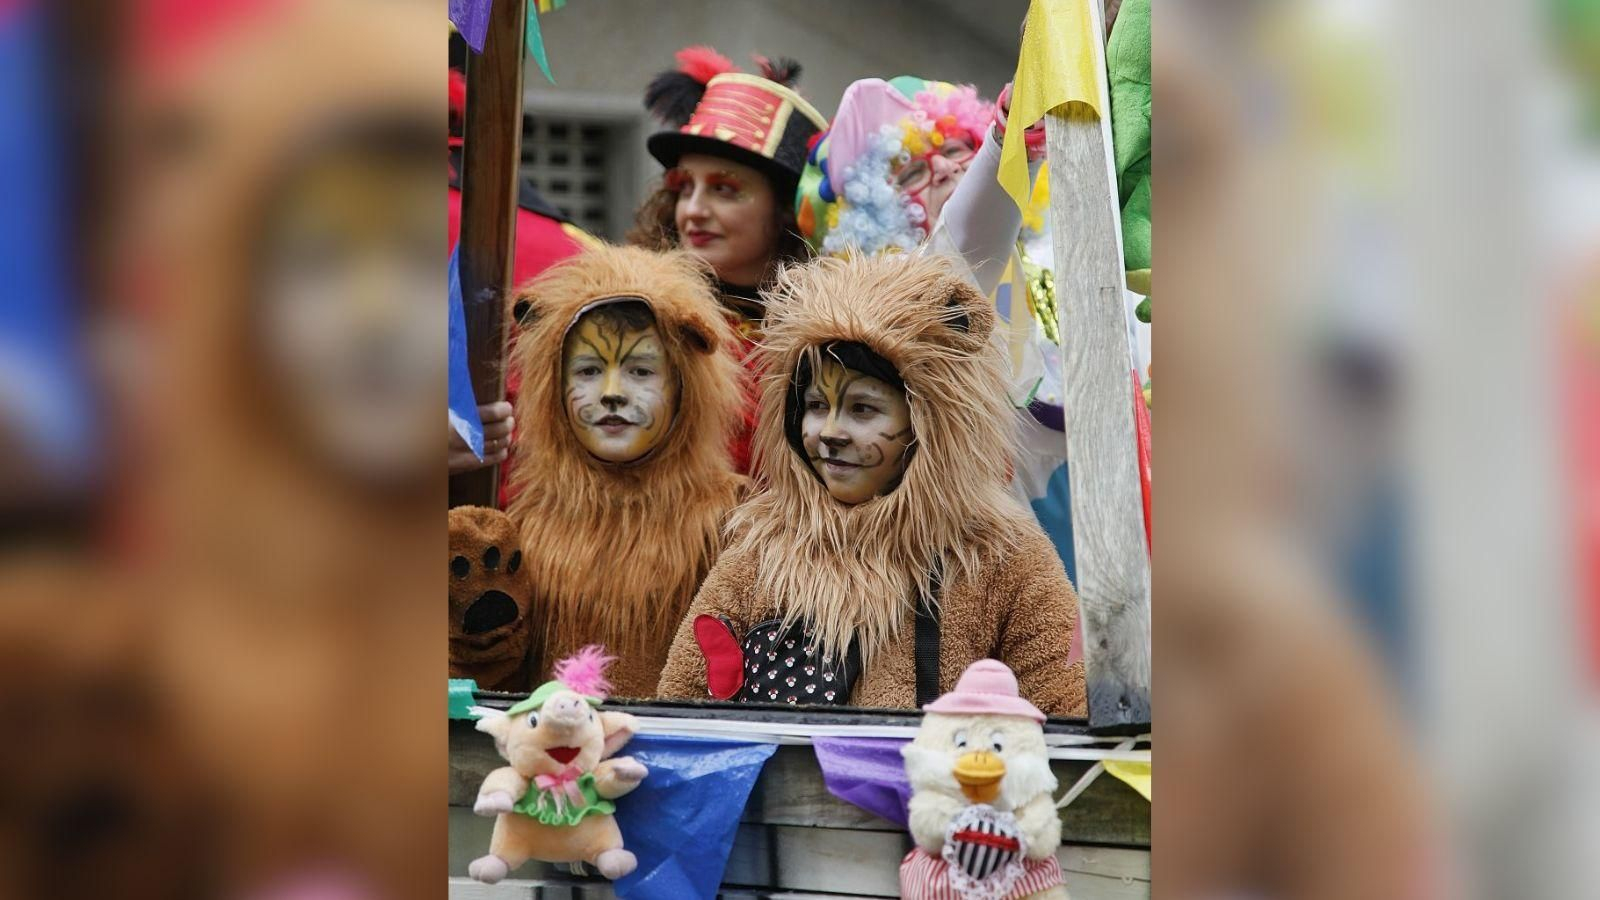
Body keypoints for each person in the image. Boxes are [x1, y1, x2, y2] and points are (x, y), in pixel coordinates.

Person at [657, 253, 1086, 715]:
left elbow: (1066, 711)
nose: (830, 432)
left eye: (863, 409)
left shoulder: (1003, 555)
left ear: (930, 424)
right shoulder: (761, 551)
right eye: (817, 405)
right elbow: (682, 709)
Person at [502, 244, 745, 698]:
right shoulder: (525, 526)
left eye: (639, 371)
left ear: (684, 388)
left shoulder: (731, 522)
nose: (612, 393)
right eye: (590, 370)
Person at [629, 47, 827, 473]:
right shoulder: (632, 313)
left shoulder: (833, 339)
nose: (693, 210)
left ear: (785, 212)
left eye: (724, 189)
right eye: (685, 187)